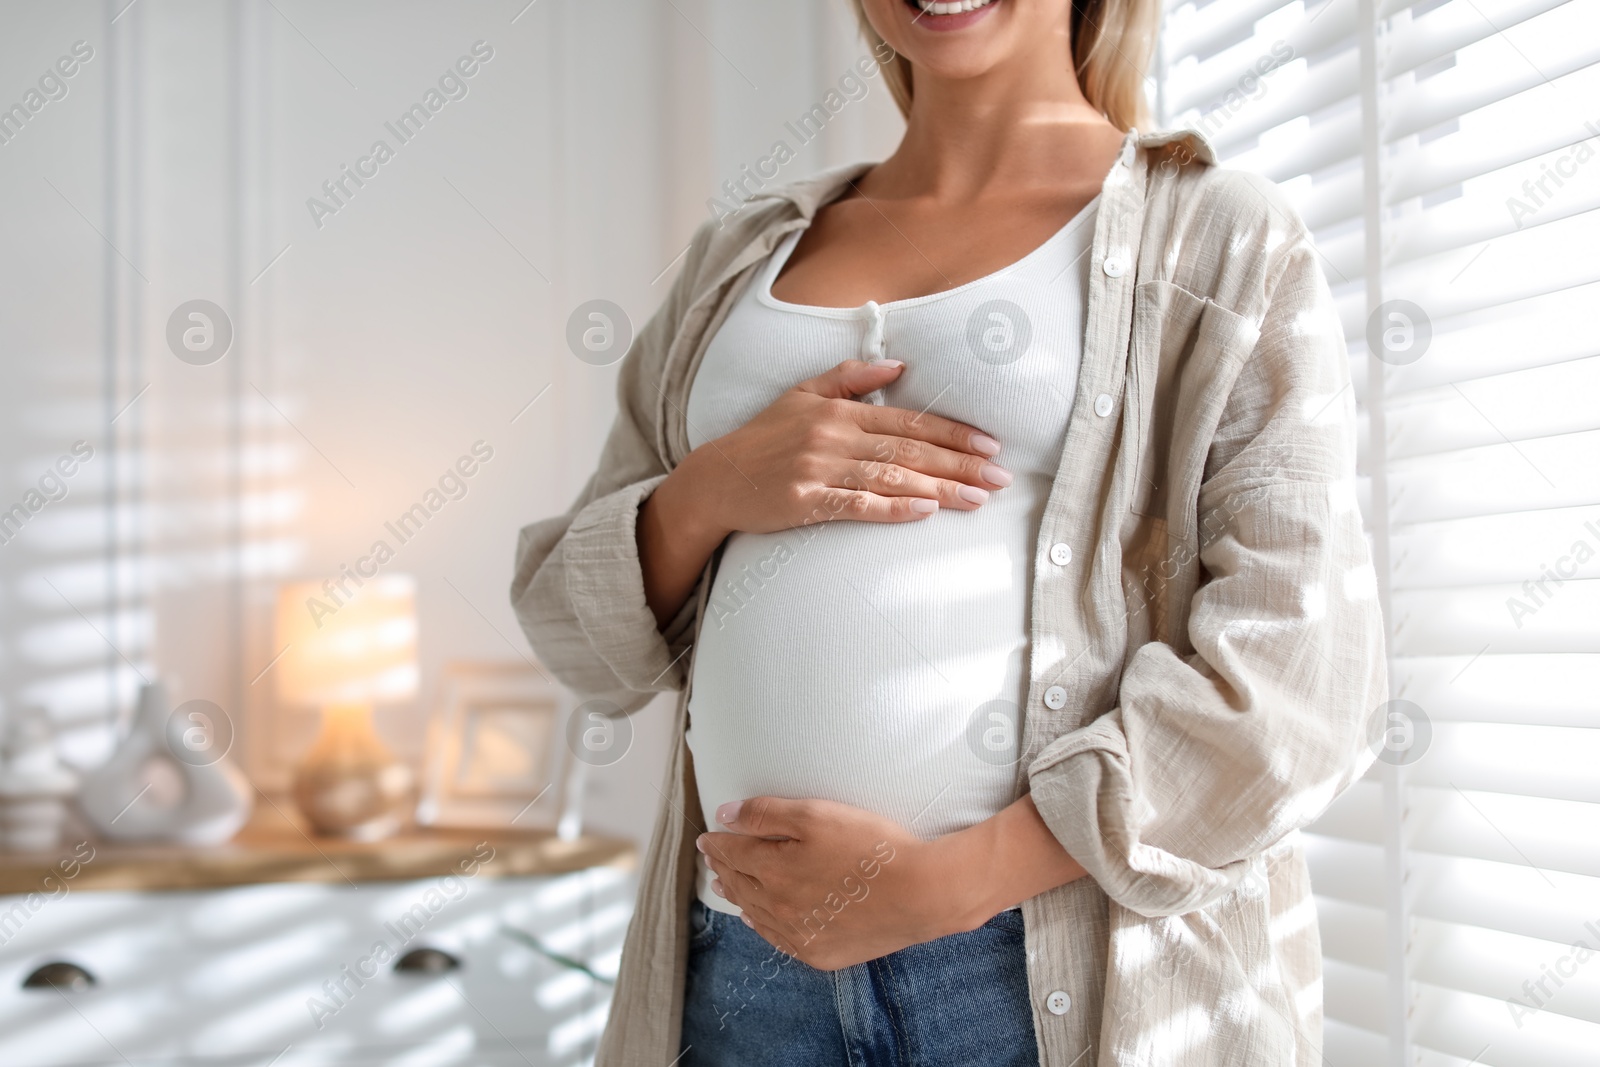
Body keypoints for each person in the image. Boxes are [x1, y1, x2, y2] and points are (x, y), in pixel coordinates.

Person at [512, 0, 1387, 1063]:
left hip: (1024, 970)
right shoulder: (734, 260)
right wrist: (709, 490)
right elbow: (572, 629)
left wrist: (953, 881)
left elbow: (1301, 676)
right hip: (741, 960)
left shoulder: (1218, 235)